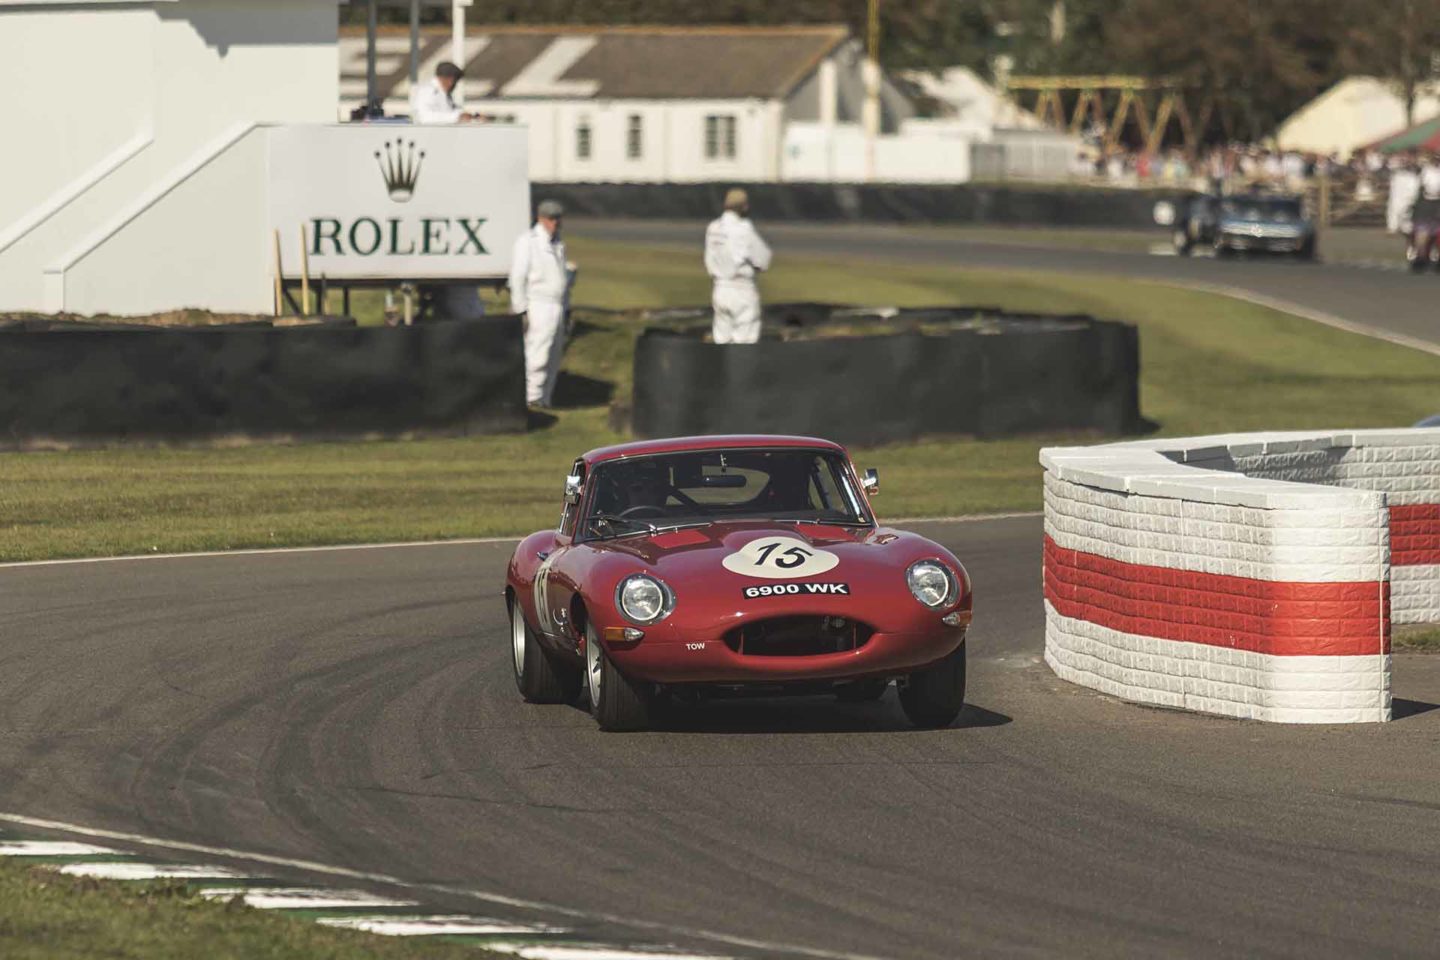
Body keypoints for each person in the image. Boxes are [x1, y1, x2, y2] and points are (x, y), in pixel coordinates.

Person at [509, 199, 575, 408]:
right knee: (538, 352)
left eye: (557, 219)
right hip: (539, 302)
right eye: (550, 219)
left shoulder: (558, 243)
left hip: (557, 304)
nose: (555, 223)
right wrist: (521, 309)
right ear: (540, 218)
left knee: (554, 354)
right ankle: (531, 397)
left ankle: (545, 399)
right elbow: (518, 276)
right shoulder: (528, 241)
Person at [703, 188, 772, 344]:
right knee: (745, 341)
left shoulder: (713, 228)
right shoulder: (743, 229)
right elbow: (763, 259)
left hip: (720, 289)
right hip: (742, 290)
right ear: (744, 207)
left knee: (721, 340)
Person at [410, 61, 475, 124]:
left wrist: (473, 117)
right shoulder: (428, 91)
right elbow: (424, 117)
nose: (454, 85)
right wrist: (456, 117)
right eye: (455, 80)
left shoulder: (443, 94)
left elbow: (453, 112)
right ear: (449, 79)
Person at [1388, 154, 1421, 235]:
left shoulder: (1418, 168)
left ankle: (1406, 228)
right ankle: (1393, 227)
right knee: (1394, 207)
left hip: (1411, 185)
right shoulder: (1397, 167)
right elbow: (1393, 170)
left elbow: (1418, 172)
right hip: (1399, 187)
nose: (1408, 159)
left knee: (1408, 209)